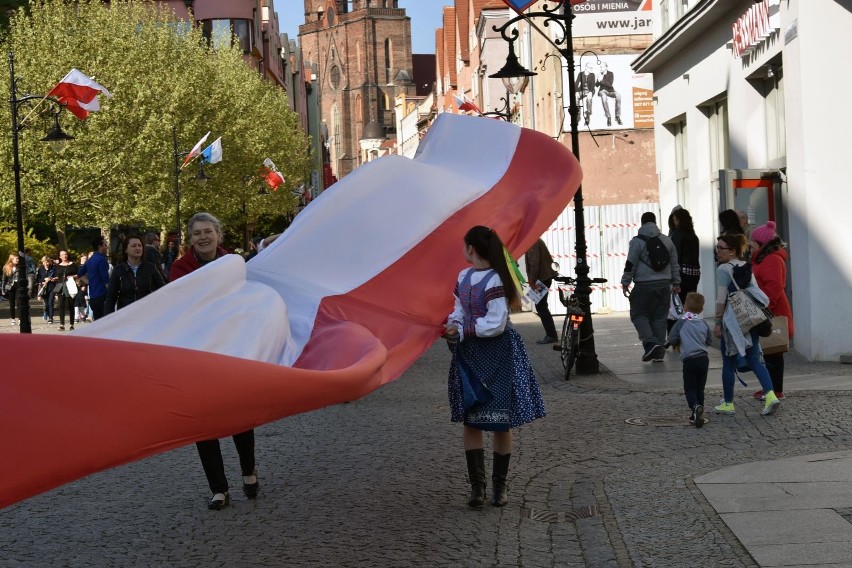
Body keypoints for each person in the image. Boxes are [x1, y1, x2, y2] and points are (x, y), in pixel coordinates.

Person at [443, 225, 546, 508]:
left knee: (501, 421)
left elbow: (496, 323)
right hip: (471, 354)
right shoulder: (463, 277)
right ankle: (478, 488)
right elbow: (459, 310)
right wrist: (454, 324)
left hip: (498, 353)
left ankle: (499, 488)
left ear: (471, 249)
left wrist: (463, 330)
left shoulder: (496, 280)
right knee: (471, 419)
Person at [169, 212, 259, 510]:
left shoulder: (233, 263)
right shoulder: (180, 268)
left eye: (208, 231)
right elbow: (180, 306)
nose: (203, 237)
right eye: (197, 233)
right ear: (190, 239)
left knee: (240, 415)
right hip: (197, 351)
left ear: (218, 234)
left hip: (232, 347)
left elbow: (245, 298)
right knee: (204, 420)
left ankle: (248, 470)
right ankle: (218, 488)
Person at [712, 233, 781, 416]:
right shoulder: (745, 266)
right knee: (755, 359)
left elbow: (721, 299)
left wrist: (717, 322)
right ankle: (771, 395)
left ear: (732, 250)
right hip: (751, 320)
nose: (717, 251)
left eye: (721, 248)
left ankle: (728, 403)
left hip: (733, 321)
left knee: (728, 361)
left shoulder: (723, 269)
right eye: (717, 247)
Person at [621, 212, 680, 362]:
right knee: (659, 318)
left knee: (638, 314)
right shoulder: (667, 240)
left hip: (643, 285)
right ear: (655, 223)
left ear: (642, 224)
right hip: (664, 285)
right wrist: (676, 282)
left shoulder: (637, 242)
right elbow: (674, 263)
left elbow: (630, 263)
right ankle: (658, 354)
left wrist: (625, 281)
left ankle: (650, 343)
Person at [749, 221, 793, 400]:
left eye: (752, 242)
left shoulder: (772, 259)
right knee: (767, 351)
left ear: (761, 243)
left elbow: (774, 287)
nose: (750, 245)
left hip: (772, 310)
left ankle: (776, 390)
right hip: (767, 308)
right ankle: (769, 388)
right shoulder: (763, 257)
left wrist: (764, 306)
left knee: (773, 350)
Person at [666, 292, 712, 428]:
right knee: (700, 388)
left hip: (689, 360)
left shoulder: (681, 322)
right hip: (703, 359)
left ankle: (695, 406)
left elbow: (672, 338)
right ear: (701, 309)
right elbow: (708, 340)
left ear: (685, 306)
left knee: (690, 388)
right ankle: (697, 414)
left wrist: (678, 343)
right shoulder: (703, 323)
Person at [104, 235, 165, 315]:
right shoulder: (118, 270)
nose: (138, 248)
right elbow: (111, 297)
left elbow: (163, 289)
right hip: (125, 315)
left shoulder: (151, 267)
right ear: (126, 249)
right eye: (134, 246)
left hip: (146, 314)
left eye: (140, 246)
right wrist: (108, 319)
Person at [524, 238, 559, 344]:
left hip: (541, 279)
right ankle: (551, 334)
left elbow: (534, 263)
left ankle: (551, 335)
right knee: (541, 305)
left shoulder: (532, 242)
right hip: (543, 278)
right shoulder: (535, 240)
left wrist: (532, 281)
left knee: (541, 306)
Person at [77, 236, 110, 320]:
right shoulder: (102, 259)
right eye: (105, 245)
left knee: (97, 320)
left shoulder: (90, 260)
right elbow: (105, 279)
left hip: (92, 295)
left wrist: (89, 282)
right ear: (100, 247)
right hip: (102, 294)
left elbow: (80, 274)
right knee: (106, 320)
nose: (107, 247)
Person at [54, 250, 78, 331]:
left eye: (66, 254)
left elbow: (78, 274)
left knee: (71, 305)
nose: (64, 256)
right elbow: (57, 276)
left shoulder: (73, 264)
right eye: (62, 255)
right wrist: (53, 279)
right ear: (60, 256)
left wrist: (73, 277)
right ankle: (62, 324)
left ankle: (71, 324)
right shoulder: (57, 266)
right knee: (61, 305)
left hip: (70, 286)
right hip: (61, 287)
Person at [596, 61, 622, 126]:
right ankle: (608, 117)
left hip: (610, 90)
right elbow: (596, 85)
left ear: (606, 67)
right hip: (602, 91)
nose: (600, 68)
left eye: (601, 67)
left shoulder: (610, 74)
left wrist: (601, 80)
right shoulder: (599, 74)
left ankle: (617, 116)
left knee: (618, 95)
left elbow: (610, 84)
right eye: (600, 67)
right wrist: (598, 80)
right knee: (604, 96)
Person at [36, 256, 58, 323]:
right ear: (43, 262)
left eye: (48, 262)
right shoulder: (41, 269)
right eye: (45, 262)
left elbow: (57, 276)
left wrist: (53, 279)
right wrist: (43, 279)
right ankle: (48, 315)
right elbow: (38, 279)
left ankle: (51, 318)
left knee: (50, 303)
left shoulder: (54, 268)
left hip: (52, 287)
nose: (46, 263)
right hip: (44, 288)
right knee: (46, 303)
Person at [575, 61, 597, 126]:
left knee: (589, 98)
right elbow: (576, 83)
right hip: (582, 90)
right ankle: (578, 115)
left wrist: (590, 92)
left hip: (590, 90)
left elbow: (593, 85)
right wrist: (576, 92)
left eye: (592, 68)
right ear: (586, 68)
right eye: (590, 68)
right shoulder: (580, 74)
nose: (591, 69)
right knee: (576, 96)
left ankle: (588, 116)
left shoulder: (592, 75)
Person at [2, 255, 21, 325]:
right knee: (11, 304)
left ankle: (20, 319)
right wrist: (3, 289)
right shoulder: (6, 267)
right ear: (11, 260)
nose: (18, 260)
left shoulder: (20, 267)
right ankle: (13, 319)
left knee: (19, 303)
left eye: (18, 259)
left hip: (18, 286)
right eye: (16, 259)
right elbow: (4, 279)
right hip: (10, 287)